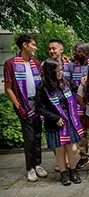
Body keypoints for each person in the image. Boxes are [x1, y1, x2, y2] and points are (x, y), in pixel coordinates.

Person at [4, 34, 48, 182]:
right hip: (23, 105)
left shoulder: (35, 63)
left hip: (37, 105)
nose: (35, 47)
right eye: (33, 45)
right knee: (29, 138)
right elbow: (8, 88)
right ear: (25, 45)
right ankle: (30, 168)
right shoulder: (11, 64)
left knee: (37, 136)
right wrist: (18, 106)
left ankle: (37, 165)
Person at [35, 58, 83, 186]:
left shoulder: (65, 83)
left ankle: (73, 171)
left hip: (69, 121)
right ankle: (64, 174)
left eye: (61, 69)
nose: (61, 72)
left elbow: (77, 89)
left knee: (73, 149)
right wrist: (54, 118)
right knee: (60, 150)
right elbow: (39, 107)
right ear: (50, 72)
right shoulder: (42, 87)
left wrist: (84, 82)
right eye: (58, 70)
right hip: (55, 123)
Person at [48, 39, 71, 172]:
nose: (52, 51)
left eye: (54, 48)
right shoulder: (46, 65)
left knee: (68, 134)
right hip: (53, 106)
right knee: (57, 135)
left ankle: (68, 161)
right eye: (50, 48)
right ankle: (60, 161)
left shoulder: (70, 64)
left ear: (61, 49)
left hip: (68, 105)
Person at [68, 42, 89, 169]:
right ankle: (84, 156)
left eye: (77, 51)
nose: (74, 53)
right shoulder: (71, 65)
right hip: (76, 103)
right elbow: (67, 81)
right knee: (81, 131)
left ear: (85, 54)